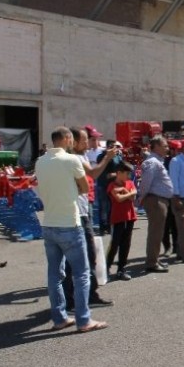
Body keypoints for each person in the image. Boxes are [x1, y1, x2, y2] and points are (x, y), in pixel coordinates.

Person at [35, 126, 107, 333]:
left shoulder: (40, 161)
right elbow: (85, 187)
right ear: (67, 139)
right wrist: (70, 188)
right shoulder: (72, 160)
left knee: (54, 274)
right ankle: (84, 319)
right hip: (70, 223)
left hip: (49, 222)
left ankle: (59, 317)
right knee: (81, 273)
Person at [61, 127, 116, 310]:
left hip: (85, 209)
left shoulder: (81, 156)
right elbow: (92, 174)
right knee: (77, 257)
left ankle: (89, 294)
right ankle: (70, 299)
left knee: (89, 256)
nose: (88, 144)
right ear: (74, 142)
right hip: (77, 213)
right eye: (84, 141)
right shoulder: (74, 158)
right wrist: (107, 158)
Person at [137, 136, 173, 273]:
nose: (167, 148)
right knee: (155, 233)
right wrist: (141, 198)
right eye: (164, 146)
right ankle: (151, 262)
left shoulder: (157, 161)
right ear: (156, 147)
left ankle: (154, 259)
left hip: (159, 200)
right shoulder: (152, 162)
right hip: (155, 201)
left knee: (158, 232)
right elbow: (145, 183)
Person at [105, 161, 138, 280]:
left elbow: (134, 194)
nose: (129, 176)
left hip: (130, 217)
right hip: (117, 218)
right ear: (119, 173)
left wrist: (126, 192)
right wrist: (127, 193)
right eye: (126, 173)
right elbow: (118, 199)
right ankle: (106, 268)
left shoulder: (129, 183)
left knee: (126, 244)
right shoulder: (112, 185)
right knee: (115, 244)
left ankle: (121, 269)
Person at [94, 139, 122, 235]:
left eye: (115, 146)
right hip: (103, 184)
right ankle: (102, 227)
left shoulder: (118, 157)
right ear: (107, 146)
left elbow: (120, 168)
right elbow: (101, 168)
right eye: (111, 146)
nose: (114, 148)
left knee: (112, 206)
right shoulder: (101, 156)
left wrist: (115, 174)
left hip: (114, 185)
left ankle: (110, 226)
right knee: (103, 207)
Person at [161, 140, 181, 256]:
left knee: (176, 223)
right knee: (165, 223)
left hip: (176, 196)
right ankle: (167, 247)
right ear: (172, 150)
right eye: (176, 150)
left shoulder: (180, 162)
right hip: (165, 197)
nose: (178, 152)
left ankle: (176, 246)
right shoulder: (164, 162)